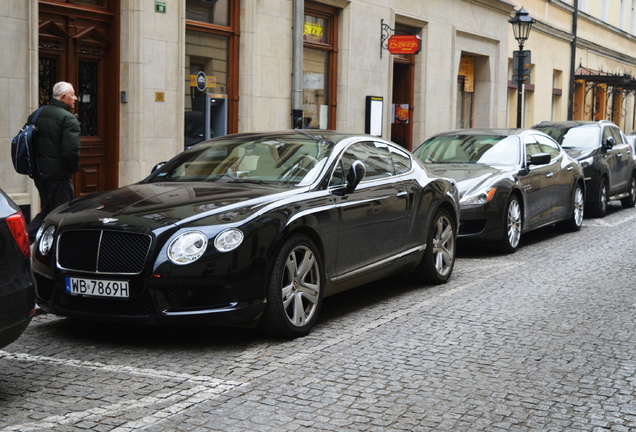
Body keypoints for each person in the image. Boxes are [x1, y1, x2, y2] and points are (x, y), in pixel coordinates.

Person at [27, 81, 81, 241]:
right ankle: (59, 246)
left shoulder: (36, 114)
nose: (75, 98)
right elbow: (71, 151)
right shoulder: (68, 119)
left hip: (39, 173)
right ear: (63, 97)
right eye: (72, 95)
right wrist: (73, 169)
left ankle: (22, 239)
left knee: (48, 210)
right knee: (63, 213)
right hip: (58, 175)